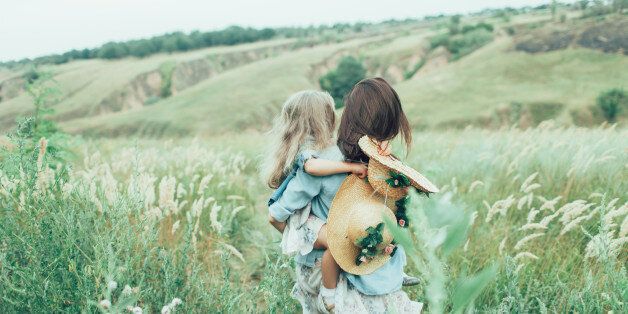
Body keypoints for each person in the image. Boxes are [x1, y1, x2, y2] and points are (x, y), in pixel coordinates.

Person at [266, 78, 425, 313]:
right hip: (347, 271)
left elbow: (275, 216)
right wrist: (315, 235)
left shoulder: (347, 161)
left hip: (365, 268)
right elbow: (277, 214)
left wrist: (305, 239)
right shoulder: (326, 163)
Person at [261, 90, 368, 312]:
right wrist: (310, 235)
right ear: (328, 118)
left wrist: (302, 238)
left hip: (322, 264)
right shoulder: (339, 156)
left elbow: (275, 217)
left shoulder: (321, 162)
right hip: (342, 261)